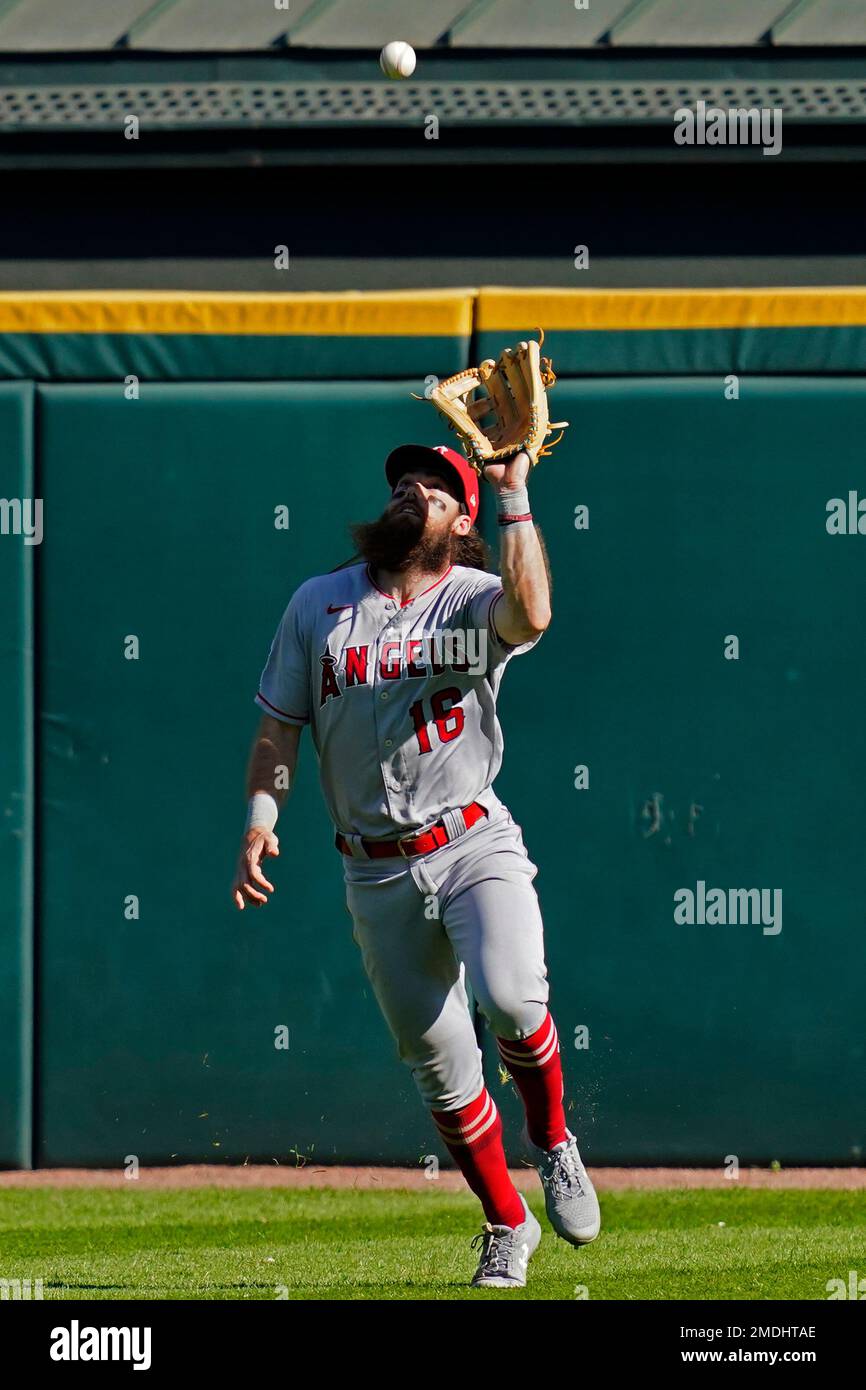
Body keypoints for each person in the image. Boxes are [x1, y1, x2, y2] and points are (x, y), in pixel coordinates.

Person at [232, 441, 600, 1289]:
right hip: (375, 870)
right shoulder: (318, 605)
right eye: (406, 483)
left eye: (436, 490)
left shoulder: (474, 598)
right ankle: (507, 1223)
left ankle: (554, 1143)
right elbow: (278, 726)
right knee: (441, 1066)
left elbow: (534, 615)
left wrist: (514, 494)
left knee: (511, 997)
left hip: (471, 839)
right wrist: (261, 814)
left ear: (462, 520)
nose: (414, 493)